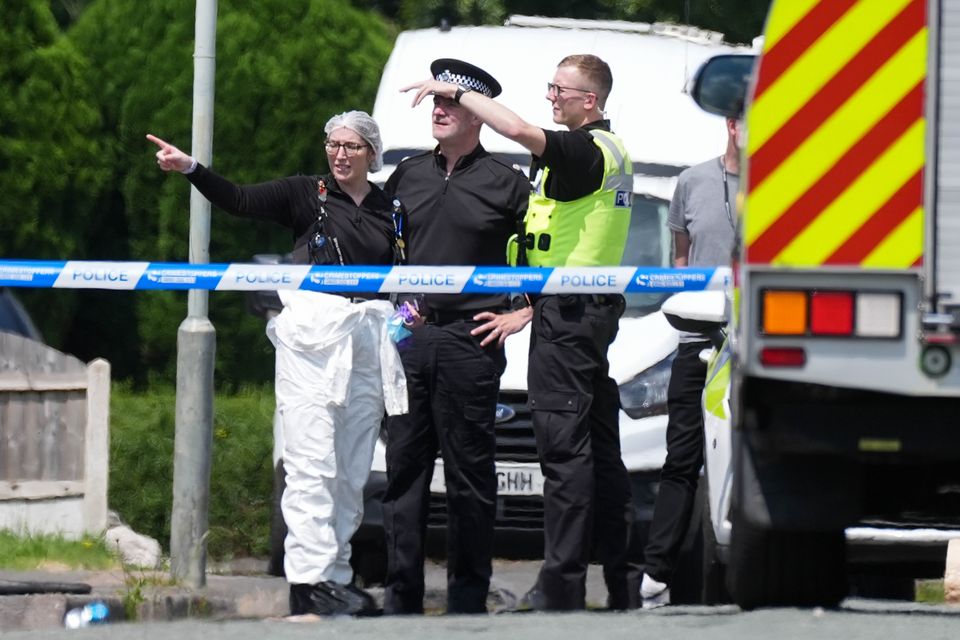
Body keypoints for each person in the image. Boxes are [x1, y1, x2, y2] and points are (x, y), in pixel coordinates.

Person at [401, 54, 639, 611]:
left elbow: (514, 128)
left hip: (572, 315)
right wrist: (528, 305)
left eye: (561, 89)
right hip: (576, 308)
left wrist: (453, 91)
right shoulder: (606, 152)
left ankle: (560, 586)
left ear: (591, 100)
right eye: (550, 86)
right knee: (600, 451)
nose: (551, 96)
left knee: (563, 454)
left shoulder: (585, 150)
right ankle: (623, 586)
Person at [147, 111, 408, 617]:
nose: (339, 154)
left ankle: (335, 575)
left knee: (351, 474)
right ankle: (306, 584)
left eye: (351, 147)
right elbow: (240, 199)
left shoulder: (390, 208)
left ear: (371, 153)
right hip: (311, 345)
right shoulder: (305, 193)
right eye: (332, 144)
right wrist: (191, 168)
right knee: (311, 466)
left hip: (366, 346)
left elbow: (407, 271)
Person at [380, 58, 531, 615]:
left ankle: (468, 603)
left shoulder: (508, 186)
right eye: (437, 101)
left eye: (451, 102)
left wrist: (524, 313)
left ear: (477, 115)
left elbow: (549, 254)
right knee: (404, 476)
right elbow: (381, 248)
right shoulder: (407, 175)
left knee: (471, 478)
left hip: (472, 344)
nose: (439, 109)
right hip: (410, 341)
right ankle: (401, 602)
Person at [639, 117, 739, 608]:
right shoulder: (694, 181)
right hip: (697, 336)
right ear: (730, 122)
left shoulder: (786, 183)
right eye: (743, 115)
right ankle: (656, 576)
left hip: (755, 344)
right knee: (681, 459)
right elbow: (681, 261)